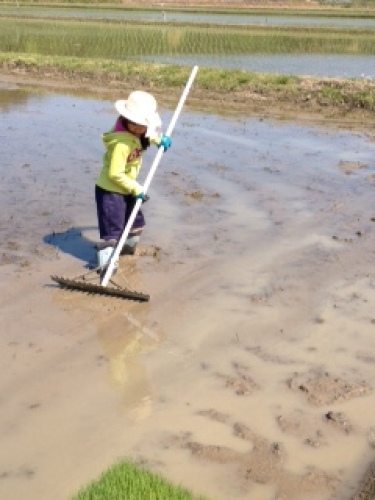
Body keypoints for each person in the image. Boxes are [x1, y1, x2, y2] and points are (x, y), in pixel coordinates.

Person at [95, 90, 171, 270]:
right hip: (111, 191)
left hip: (127, 188)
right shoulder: (121, 144)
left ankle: (126, 254)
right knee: (112, 233)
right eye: (134, 124)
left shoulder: (138, 132)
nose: (138, 129)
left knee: (136, 226)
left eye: (142, 125)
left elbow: (146, 135)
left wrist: (159, 140)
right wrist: (136, 188)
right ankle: (106, 267)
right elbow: (115, 173)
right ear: (125, 118)